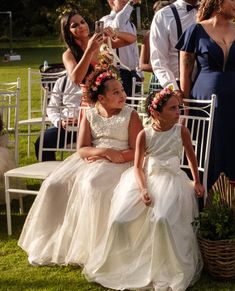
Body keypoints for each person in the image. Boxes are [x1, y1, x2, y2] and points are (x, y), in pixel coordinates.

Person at [83, 87, 203, 291]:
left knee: (162, 219)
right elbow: (138, 167)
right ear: (156, 113)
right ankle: (122, 264)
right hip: (146, 181)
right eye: (173, 108)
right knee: (120, 220)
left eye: (179, 107)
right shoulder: (143, 135)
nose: (178, 112)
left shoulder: (181, 130)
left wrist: (197, 181)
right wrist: (143, 189)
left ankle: (165, 268)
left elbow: (192, 158)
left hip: (172, 182)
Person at [19, 68, 143, 266]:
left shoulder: (131, 115)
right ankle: (52, 240)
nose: (123, 95)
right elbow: (82, 149)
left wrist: (116, 155)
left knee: (93, 184)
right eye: (116, 92)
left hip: (122, 161)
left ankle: (94, 246)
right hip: (94, 158)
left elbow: (139, 150)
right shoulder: (90, 114)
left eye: (122, 90)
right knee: (55, 183)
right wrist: (103, 152)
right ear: (101, 98)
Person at [177, 0, 235, 233]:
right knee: (213, 151)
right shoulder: (196, 31)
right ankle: (211, 210)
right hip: (206, 98)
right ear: (217, 1)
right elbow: (185, 69)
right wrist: (185, 103)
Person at [150, 0, 207, 89]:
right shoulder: (164, 16)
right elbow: (159, 60)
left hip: (205, 85)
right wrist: (173, 88)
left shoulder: (209, 14)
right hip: (176, 84)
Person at [60, 10, 135, 87]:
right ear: (68, 31)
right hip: (87, 96)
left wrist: (115, 33)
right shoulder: (68, 54)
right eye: (75, 25)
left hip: (109, 95)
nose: (81, 26)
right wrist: (89, 50)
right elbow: (76, 79)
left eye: (83, 22)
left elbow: (131, 39)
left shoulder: (100, 42)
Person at [100, 0, 148, 96]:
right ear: (111, 2)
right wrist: (131, 2)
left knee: (133, 108)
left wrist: (139, 72)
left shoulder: (130, 24)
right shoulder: (105, 20)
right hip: (116, 72)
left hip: (132, 73)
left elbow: (134, 50)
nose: (124, 0)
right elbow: (117, 26)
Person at [33, 74, 82, 161]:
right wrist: (61, 121)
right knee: (43, 142)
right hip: (66, 127)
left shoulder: (99, 80)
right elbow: (52, 109)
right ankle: (50, 173)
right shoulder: (62, 82)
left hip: (92, 128)